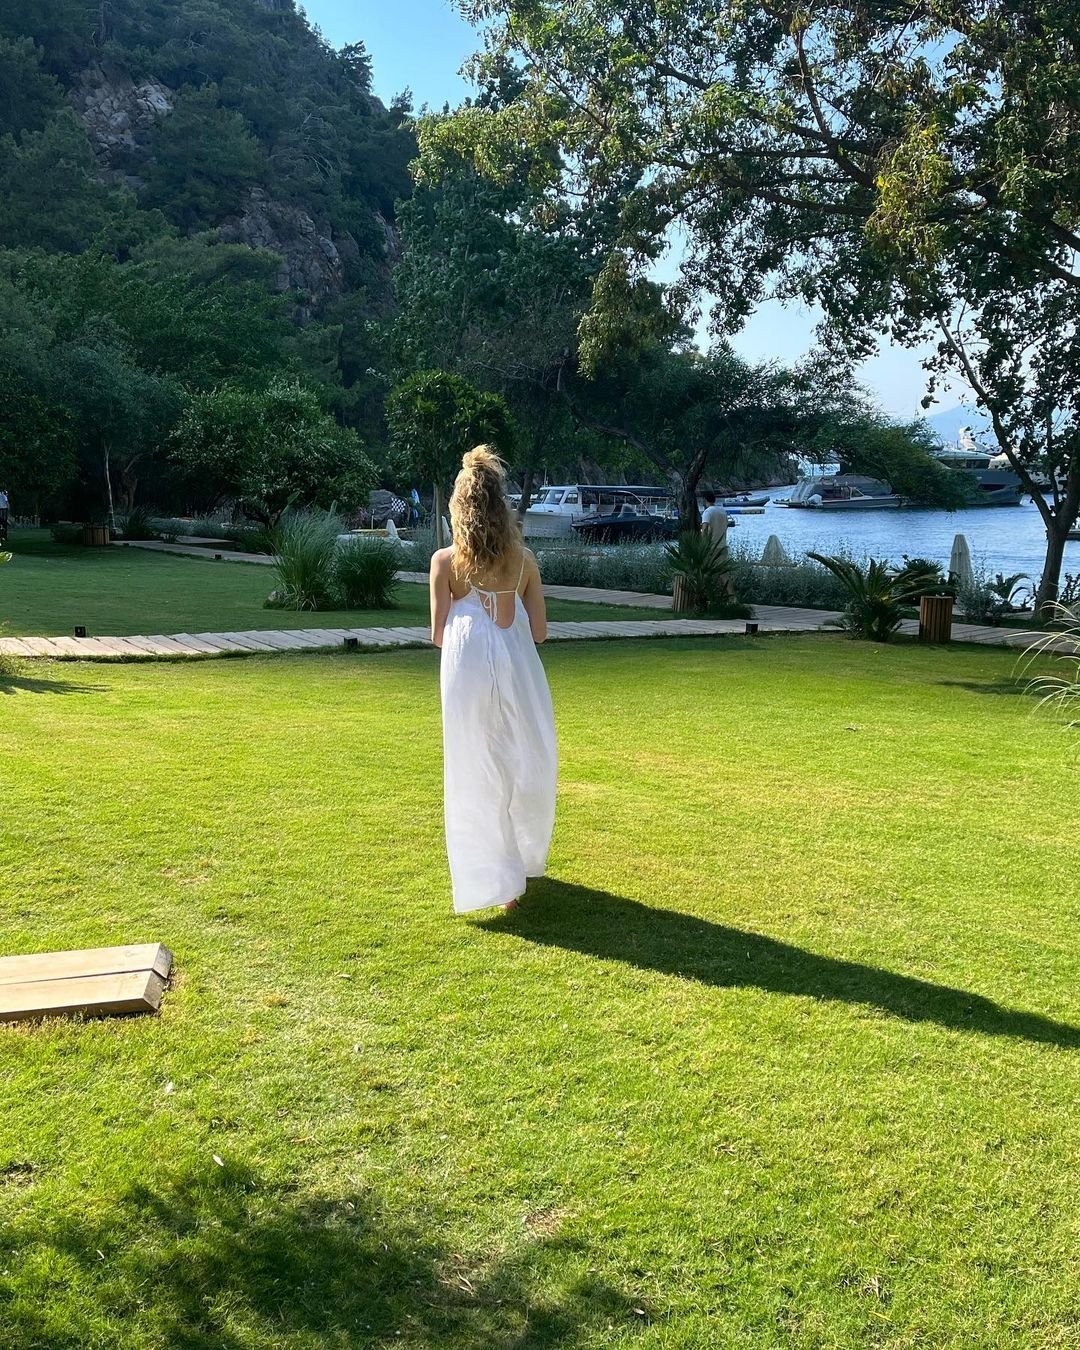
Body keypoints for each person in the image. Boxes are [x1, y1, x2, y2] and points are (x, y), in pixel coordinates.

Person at [430, 447, 557, 915]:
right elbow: (539, 632)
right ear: (501, 509)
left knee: (474, 765)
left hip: (465, 673)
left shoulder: (444, 561)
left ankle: (496, 878)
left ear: (459, 508)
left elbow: (438, 634)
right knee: (524, 760)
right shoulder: (524, 561)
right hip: (519, 673)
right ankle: (516, 864)